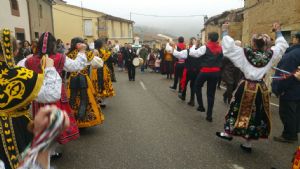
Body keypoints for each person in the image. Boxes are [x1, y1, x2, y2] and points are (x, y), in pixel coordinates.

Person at [216, 23, 288, 153]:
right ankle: (248, 144)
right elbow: (282, 46)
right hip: (260, 88)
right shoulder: (270, 55)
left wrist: (225, 31)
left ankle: (229, 134)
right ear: (265, 45)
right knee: (255, 115)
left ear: (253, 44)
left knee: (237, 110)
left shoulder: (245, 53)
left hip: (246, 87)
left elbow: (229, 48)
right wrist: (278, 32)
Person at [21, 32, 99, 145]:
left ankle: (44, 143)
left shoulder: (29, 60)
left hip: (38, 96)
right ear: (53, 44)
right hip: (56, 94)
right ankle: (53, 147)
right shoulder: (59, 57)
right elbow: (76, 66)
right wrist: (82, 51)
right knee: (55, 120)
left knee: (42, 119)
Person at [0, 28, 62, 169]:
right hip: (16, 130)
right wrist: (50, 69)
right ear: (14, 51)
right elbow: (52, 94)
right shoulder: (20, 75)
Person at [67, 37, 104, 128]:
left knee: (72, 99)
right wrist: (95, 53)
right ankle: (81, 119)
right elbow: (98, 63)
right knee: (85, 99)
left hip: (72, 79)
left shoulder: (68, 54)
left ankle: (71, 120)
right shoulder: (87, 54)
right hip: (84, 78)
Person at [186, 32, 223, 122]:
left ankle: (201, 106)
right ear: (217, 39)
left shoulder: (204, 47)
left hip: (205, 71)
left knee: (196, 86)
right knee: (211, 94)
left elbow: (192, 54)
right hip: (215, 73)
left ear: (209, 38)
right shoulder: (221, 48)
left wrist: (194, 45)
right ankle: (209, 115)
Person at [272, 32, 300, 143]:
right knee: (296, 112)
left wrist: (278, 89)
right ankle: (293, 132)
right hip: (297, 88)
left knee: (287, 113)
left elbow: (284, 74)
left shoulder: (293, 54)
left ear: (297, 39)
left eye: (293, 37)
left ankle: (289, 135)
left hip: (290, 89)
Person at [174, 37, 201, 106]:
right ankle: (192, 100)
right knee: (193, 85)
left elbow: (178, 55)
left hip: (188, 70)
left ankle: (183, 96)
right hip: (196, 71)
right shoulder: (200, 51)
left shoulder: (187, 51)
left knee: (184, 83)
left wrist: (172, 48)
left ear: (190, 43)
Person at [91, 39, 115, 107]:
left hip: (95, 70)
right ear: (101, 44)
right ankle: (103, 101)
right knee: (104, 83)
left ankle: (97, 99)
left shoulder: (93, 51)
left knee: (96, 83)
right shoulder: (105, 52)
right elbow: (110, 59)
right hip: (103, 69)